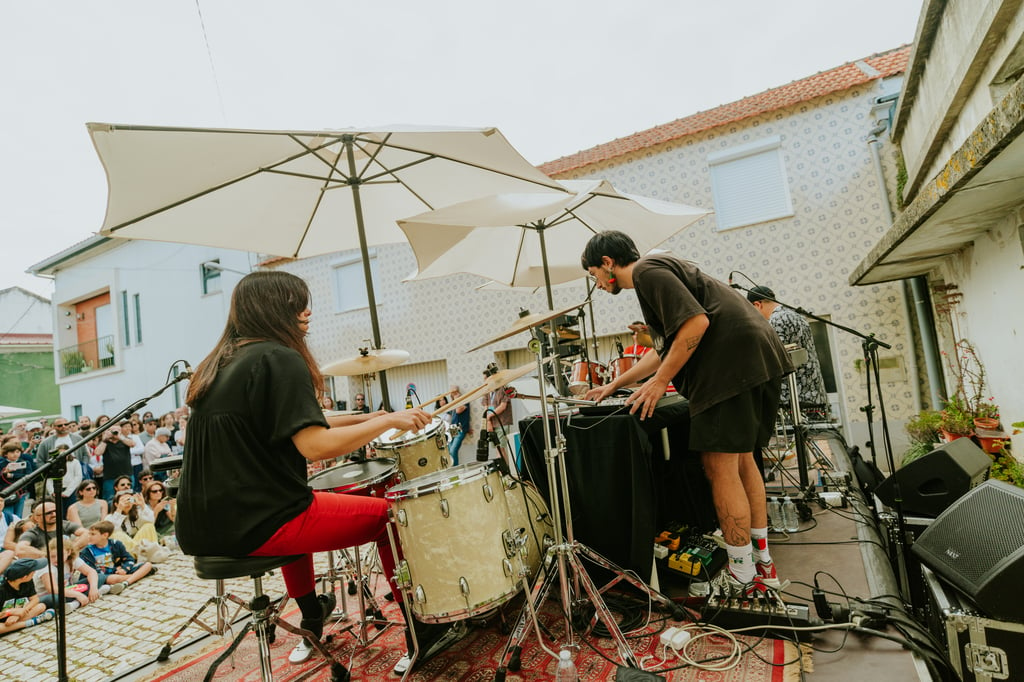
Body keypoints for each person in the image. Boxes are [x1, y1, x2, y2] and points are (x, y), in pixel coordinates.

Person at [175, 270, 463, 673]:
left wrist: (374, 416)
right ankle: (422, 630)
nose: (307, 311)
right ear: (274, 308)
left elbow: (306, 420)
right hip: (261, 520)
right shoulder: (280, 357)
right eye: (298, 303)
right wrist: (386, 424)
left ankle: (312, 614)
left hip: (204, 526)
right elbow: (315, 445)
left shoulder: (221, 363)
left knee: (310, 501)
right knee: (391, 515)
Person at [580, 231, 793, 594]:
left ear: (607, 264)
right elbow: (666, 348)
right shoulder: (660, 271)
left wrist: (661, 383)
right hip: (756, 358)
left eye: (594, 276)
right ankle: (763, 566)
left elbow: (697, 324)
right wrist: (615, 385)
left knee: (718, 466)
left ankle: (741, 577)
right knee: (743, 462)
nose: (597, 285)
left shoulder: (648, 271)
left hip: (729, 367)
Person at [747, 285, 830, 419]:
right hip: (815, 396)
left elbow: (776, 360)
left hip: (793, 401)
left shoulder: (775, 321)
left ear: (757, 304)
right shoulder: (797, 316)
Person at [79, 520, 153, 592]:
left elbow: (129, 559)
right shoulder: (87, 551)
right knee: (112, 579)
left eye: (93, 534)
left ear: (105, 535)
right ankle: (137, 576)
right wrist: (115, 571)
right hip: (103, 576)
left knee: (148, 565)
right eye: (89, 534)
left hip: (118, 572)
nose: (89, 536)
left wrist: (124, 569)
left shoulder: (116, 544)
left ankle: (125, 582)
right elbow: (92, 571)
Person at [17, 499, 89, 558]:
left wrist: (70, 550)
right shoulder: (33, 532)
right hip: (45, 565)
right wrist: (49, 555)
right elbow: (20, 549)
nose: (54, 514)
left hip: (67, 560)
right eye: (49, 513)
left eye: (56, 511)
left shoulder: (65, 525)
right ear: (37, 518)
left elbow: (86, 534)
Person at [0, 559, 53, 635]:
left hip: (19, 615)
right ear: (24, 577)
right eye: (32, 572)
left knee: (41, 606)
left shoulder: (27, 582)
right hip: (3, 619)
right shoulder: (2, 589)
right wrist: (11, 612)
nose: (34, 573)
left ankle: (14, 626)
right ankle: (30, 622)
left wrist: (21, 612)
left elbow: (35, 599)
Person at [94, 425, 134, 502]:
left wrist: (120, 437)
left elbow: (132, 444)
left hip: (127, 474)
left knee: (129, 497)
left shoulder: (125, 440)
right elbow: (98, 452)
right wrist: (105, 439)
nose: (114, 433)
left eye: (117, 431)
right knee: (110, 499)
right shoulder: (105, 443)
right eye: (112, 431)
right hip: (110, 476)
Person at [446, 386, 471, 466]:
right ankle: (453, 468)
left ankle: (455, 469)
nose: (453, 394)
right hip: (452, 429)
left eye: (455, 392)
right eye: (452, 393)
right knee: (450, 451)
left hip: (460, 429)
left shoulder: (464, 401)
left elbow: (458, 410)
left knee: (453, 450)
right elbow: (450, 416)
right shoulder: (453, 403)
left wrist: (457, 399)